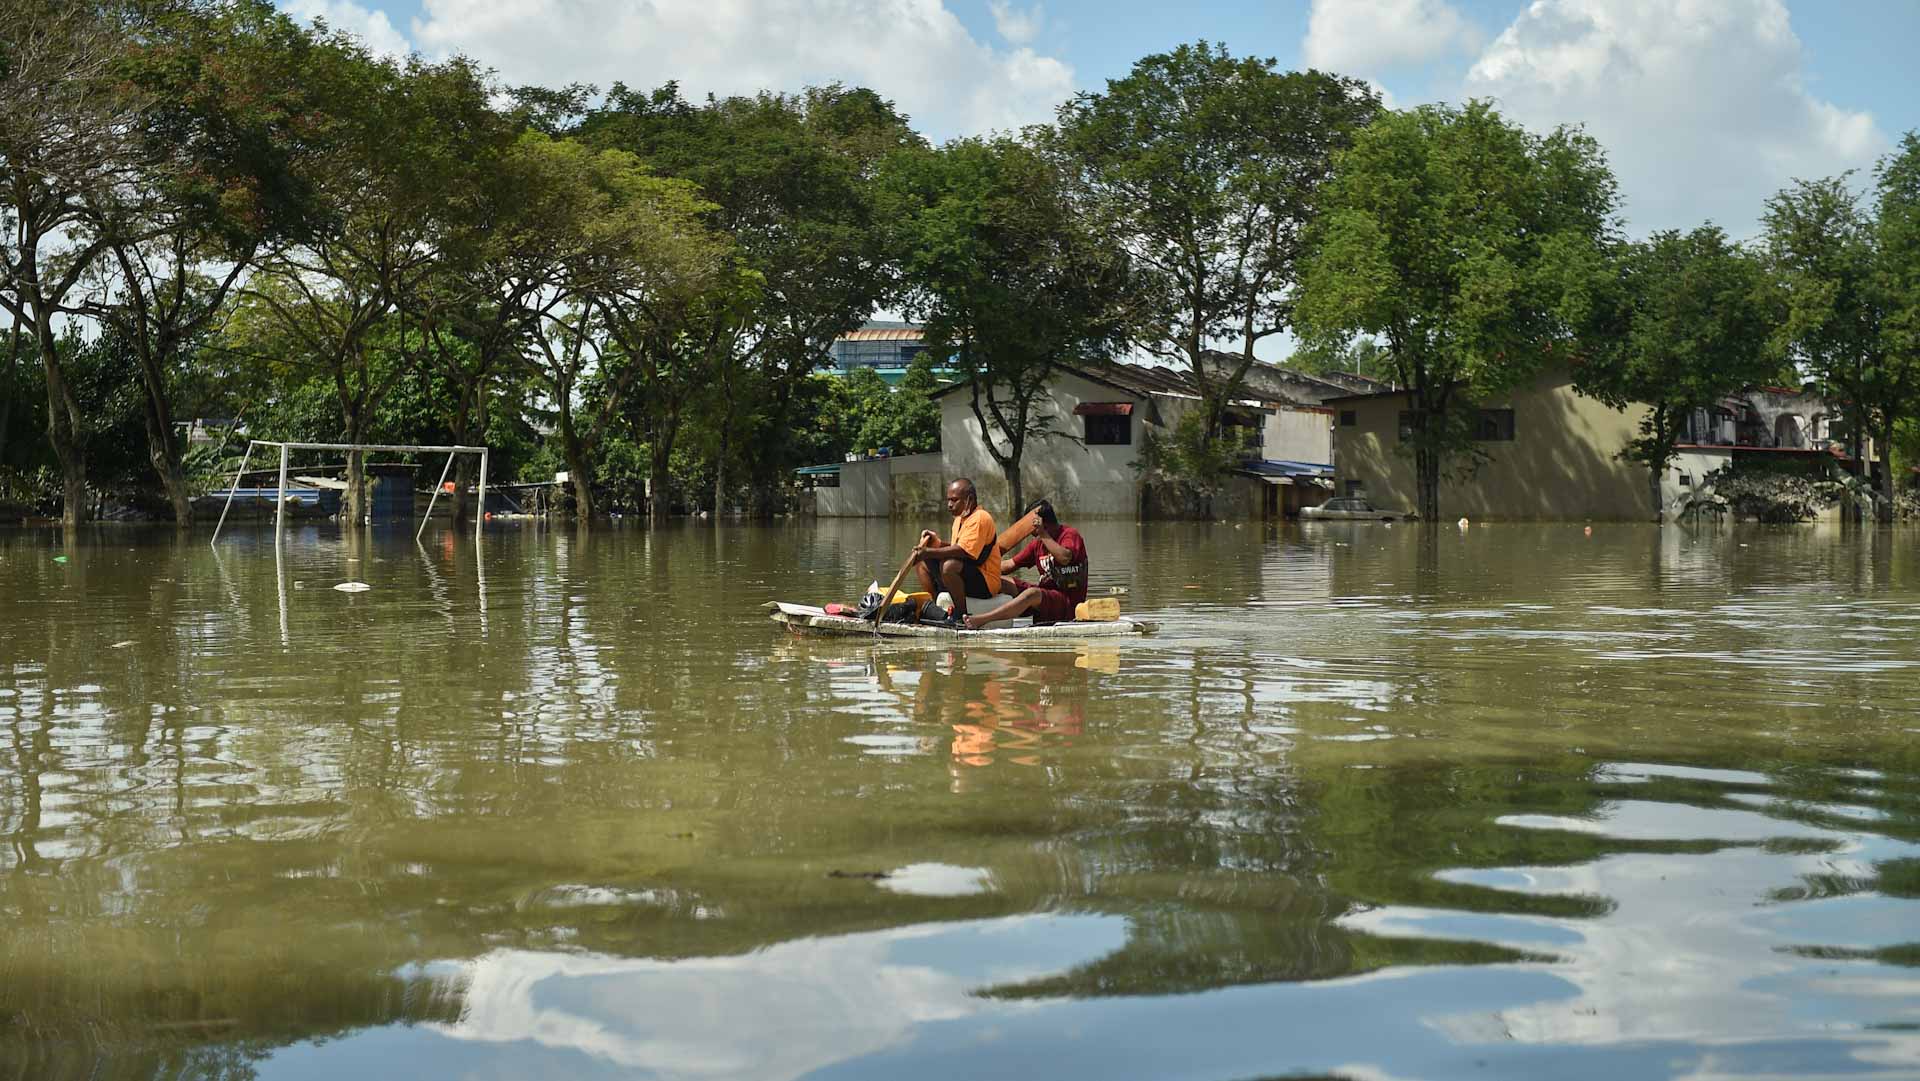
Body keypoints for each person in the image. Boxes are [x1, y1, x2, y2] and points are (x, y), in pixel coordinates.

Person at [965, 499, 1087, 630]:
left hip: (1068, 602)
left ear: (1041, 521)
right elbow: (1009, 565)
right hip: (1045, 597)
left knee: (1031, 594)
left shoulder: (1069, 534)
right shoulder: (1037, 544)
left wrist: (1042, 533)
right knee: (1000, 582)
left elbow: (1065, 557)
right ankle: (962, 611)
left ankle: (981, 620)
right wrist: (978, 568)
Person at [911, 478, 1000, 620]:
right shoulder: (959, 520)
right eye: (948, 500)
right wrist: (936, 544)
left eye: (954, 500)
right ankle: (937, 606)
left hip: (987, 583)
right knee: (921, 563)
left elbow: (963, 551)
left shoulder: (980, 518)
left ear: (969, 500)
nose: (949, 505)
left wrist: (928, 552)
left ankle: (961, 615)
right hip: (965, 576)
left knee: (949, 566)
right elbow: (955, 548)